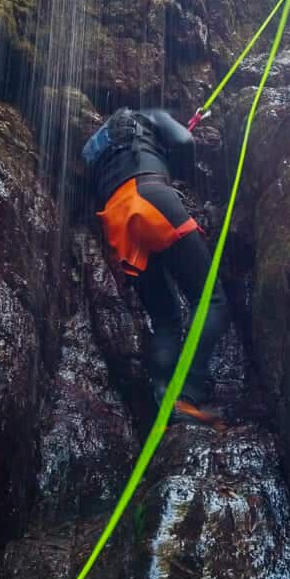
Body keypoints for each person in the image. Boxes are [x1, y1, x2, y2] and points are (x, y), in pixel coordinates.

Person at [82, 107, 229, 426]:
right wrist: (174, 173)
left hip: (116, 219)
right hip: (150, 195)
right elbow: (185, 140)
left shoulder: (102, 146)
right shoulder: (151, 114)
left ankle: (163, 399)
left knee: (165, 318)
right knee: (211, 300)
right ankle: (187, 396)